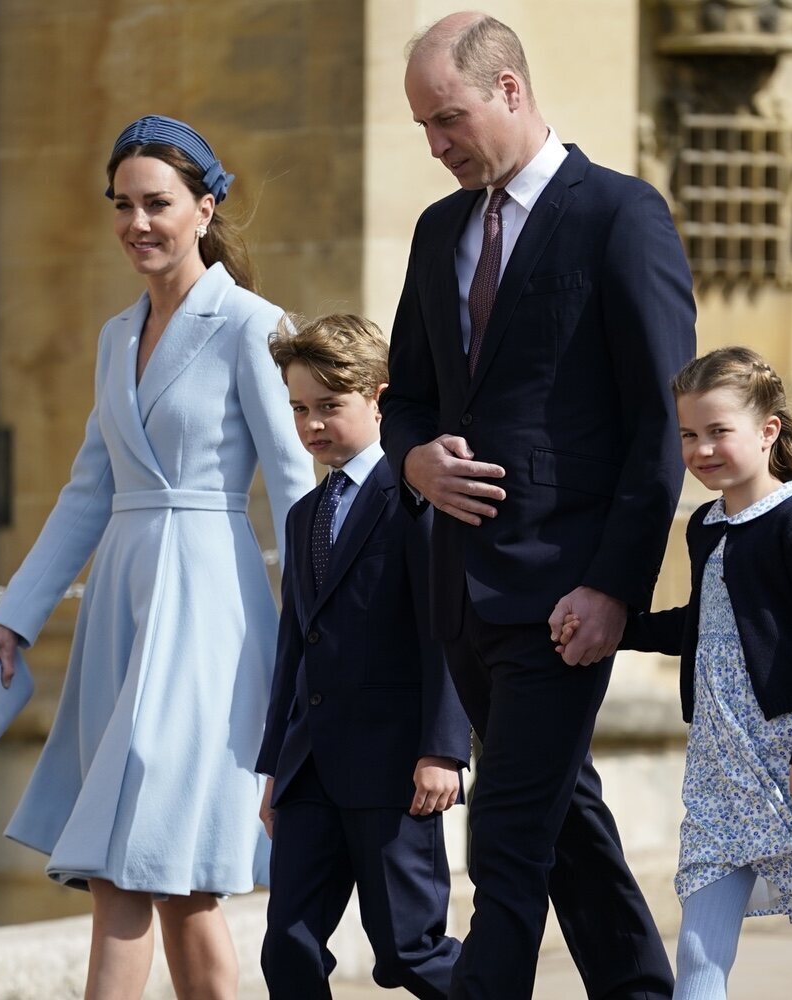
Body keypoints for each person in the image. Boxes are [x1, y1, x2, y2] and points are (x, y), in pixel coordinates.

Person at [0, 115, 314, 1000]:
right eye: (124, 206)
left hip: (209, 612)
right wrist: (10, 622)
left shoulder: (252, 326)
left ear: (206, 206)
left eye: (158, 203)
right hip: (121, 607)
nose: (138, 224)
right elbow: (87, 492)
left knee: (139, 865)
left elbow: (297, 487)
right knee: (170, 877)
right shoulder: (117, 336)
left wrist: (322, 637)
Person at [382, 13, 694, 998]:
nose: (435, 146)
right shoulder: (438, 234)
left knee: (505, 846)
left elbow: (659, 422)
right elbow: (408, 402)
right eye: (424, 127)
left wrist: (611, 586)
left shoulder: (618, 215)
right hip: (460, 598)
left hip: (564, 599)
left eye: (447, 119)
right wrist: (414, 463)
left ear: (508, 90)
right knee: (563, 822)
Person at [565, 346, 792, 999]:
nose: (701, 450)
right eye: (688, 435)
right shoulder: (705, 526)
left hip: (791, 763)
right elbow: (704, 627)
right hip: (718, 769)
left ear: (768, 431)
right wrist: (616, 627)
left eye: (718, 432)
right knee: (701, 956)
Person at [255, 313, 473, 999]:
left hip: (394, 769)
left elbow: (444, 629)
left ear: (379, 397)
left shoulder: (417, 499)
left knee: (408, 951)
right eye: (298, 409)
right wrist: (273, 769)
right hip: (309, 770)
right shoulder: (303, 515)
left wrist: (444, 748)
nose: (312, 424)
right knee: (286, 946)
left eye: (328, 406)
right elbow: (295, 645)